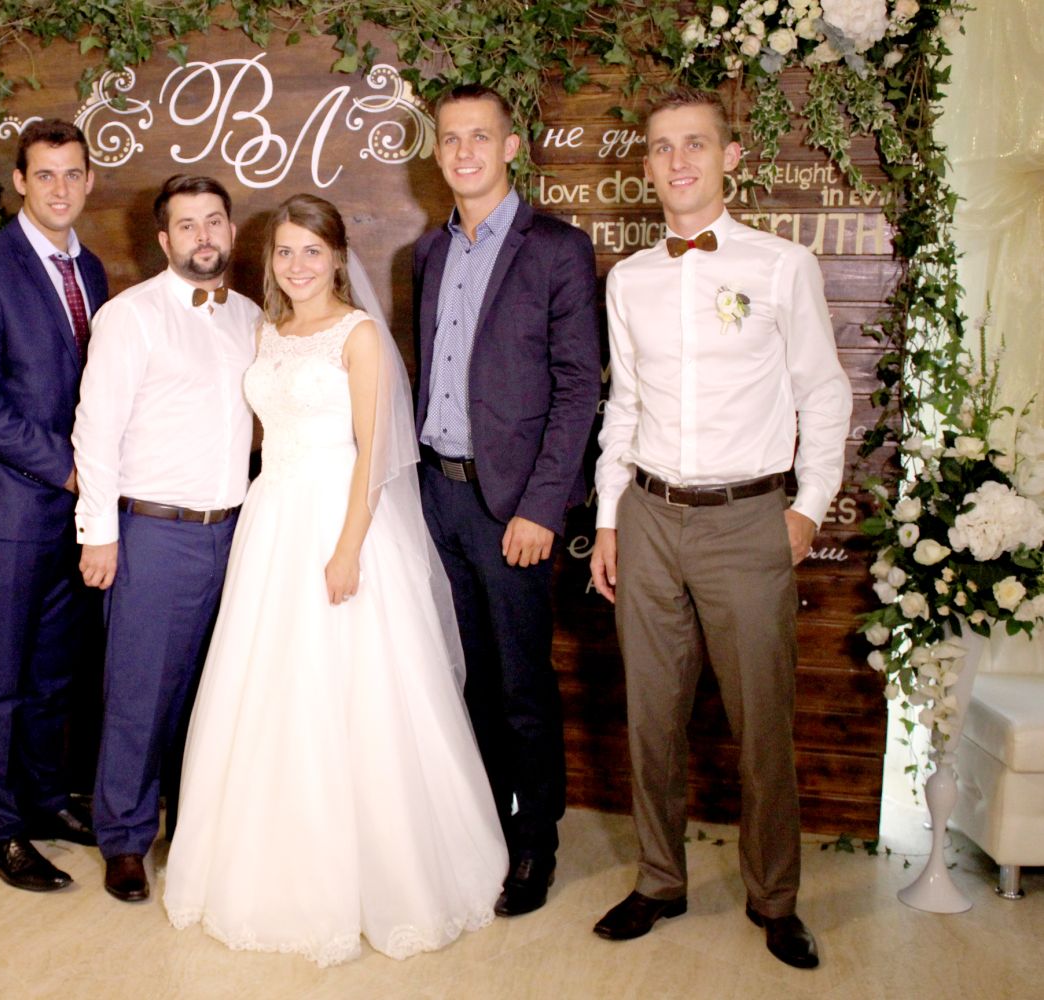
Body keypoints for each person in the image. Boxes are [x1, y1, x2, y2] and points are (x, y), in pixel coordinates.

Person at [164, 193, 508, 965]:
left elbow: (374, 454)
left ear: (337, 257)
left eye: (311, 252)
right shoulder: (266, 331)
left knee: (354, 693)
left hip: (339, 522)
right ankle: (268, 866)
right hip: (271, 524)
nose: (297, 266)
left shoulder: (358, 336)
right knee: (271, 691)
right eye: (285, 251)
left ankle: (385, 876)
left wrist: (349, 548)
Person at [588, 87, 852, 970]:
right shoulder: (629, 280)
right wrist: (610, 519)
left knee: (762, 725)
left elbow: (823, 393)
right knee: (651, 719)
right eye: (663, 147)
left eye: (695, 144)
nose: (679, 161)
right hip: (649, 517)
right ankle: (659, 881)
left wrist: (807, 508)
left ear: (730, 157)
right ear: (648, 164)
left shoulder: (783, 266)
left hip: (748, 521)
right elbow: (623, 408)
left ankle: (775, 899)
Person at [414, 84, 601, 916]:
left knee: (522, 682)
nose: (464, 152)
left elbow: (578, 387)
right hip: (439, 496)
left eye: (480, 137)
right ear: (438, 151)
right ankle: (483, 828)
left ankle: (536, 843)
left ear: (511, 146)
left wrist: (541, 507)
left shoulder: (556, 249)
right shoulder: (427, 252)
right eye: (451, 138)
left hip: (513, 507)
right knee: (466, 677)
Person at [72, 175, 261, 903]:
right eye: (187, 225)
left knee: (213, 691)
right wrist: (99, 534)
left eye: (213, 221)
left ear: (231, 231)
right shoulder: (131, 317)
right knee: (139, 693)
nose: (203, 236)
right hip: (154, 532)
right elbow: (95, 433)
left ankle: (193, 830)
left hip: (237, 531)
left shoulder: (253, 317)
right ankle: (123, 839)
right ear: (164, 239)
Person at [0, 120, 106, 892]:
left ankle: (43, 801)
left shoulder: (92, 269)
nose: (60, 188)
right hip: (8, 513)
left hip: (74, 516)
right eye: (45, 175)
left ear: (89, 181)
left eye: (73, 174)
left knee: (51, 675)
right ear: (19, 182)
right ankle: (0, 829)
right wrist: (65, 466)